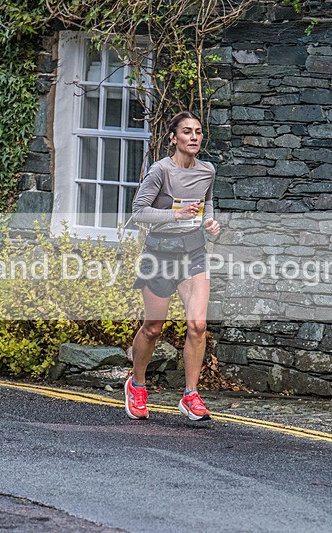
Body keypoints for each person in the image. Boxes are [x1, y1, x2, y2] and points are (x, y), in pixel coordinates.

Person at [124, 111, 221, 421]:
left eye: (198, 132)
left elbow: (206, 204)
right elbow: (138, 212)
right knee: (153, 328)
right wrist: (174, 215)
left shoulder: (208, 170)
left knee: (198, 325)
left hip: (193, 251)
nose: (194, 137)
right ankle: (137, 385)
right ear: (173, 138)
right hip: (160, 253)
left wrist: (210, 223)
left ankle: (190, 395)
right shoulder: (161, 171)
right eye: (187, 131)